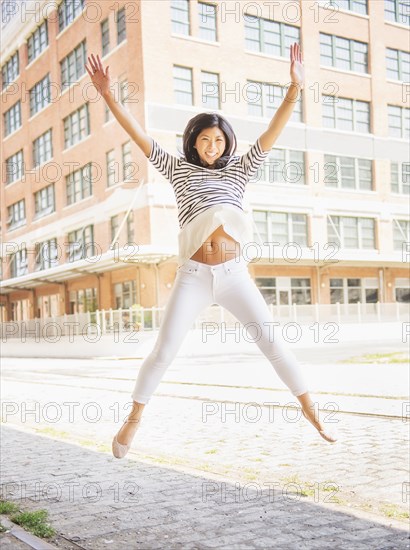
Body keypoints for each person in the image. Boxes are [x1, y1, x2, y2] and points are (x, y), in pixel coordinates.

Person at [86, 43, 338, 459]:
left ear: (226, 143)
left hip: (235, 274)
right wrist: (108, 94)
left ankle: (312, 412)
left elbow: (272, 133)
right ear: (193, 142)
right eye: (205, 139)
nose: (212, 145)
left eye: (218, 140)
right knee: (165, 351)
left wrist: (294, 89)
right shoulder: (177, 169)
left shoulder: (241, 169)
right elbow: (138, 135)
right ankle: (133, 419)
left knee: (273, 342)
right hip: (195, 275)